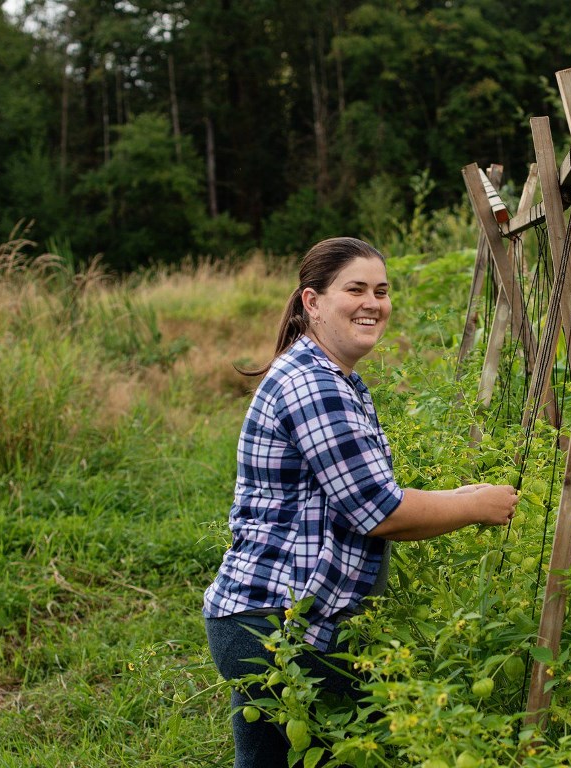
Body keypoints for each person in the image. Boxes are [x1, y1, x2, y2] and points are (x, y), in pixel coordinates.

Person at [203, 236, 518, 767]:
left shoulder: (338, 379)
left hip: (268, 621)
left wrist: (458, 495)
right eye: (355, 289)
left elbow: (361, 496)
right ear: (312, 302)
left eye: (382, 290)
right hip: (282, 628)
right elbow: (380, 512)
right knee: (370, 750)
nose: (373, 303)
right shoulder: (314, 385)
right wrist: (476, 506)